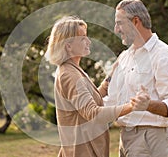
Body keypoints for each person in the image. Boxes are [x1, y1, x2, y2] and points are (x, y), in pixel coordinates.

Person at [45, 15, 150, 157]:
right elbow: (93, 113)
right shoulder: (69, 75)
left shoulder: (72, 70)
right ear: (68, 45)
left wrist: (109, 78)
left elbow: (89, 101)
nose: (88, 41)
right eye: (82, 38)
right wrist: (131, 106)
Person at [105, 0, 168, 157]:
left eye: (119, 23)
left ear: (135, 21)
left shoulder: (163, 55)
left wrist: (148, 105)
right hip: (124, 137)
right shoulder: (125, 57)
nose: (116, 29)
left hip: (148, 138)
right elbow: (112, 99)